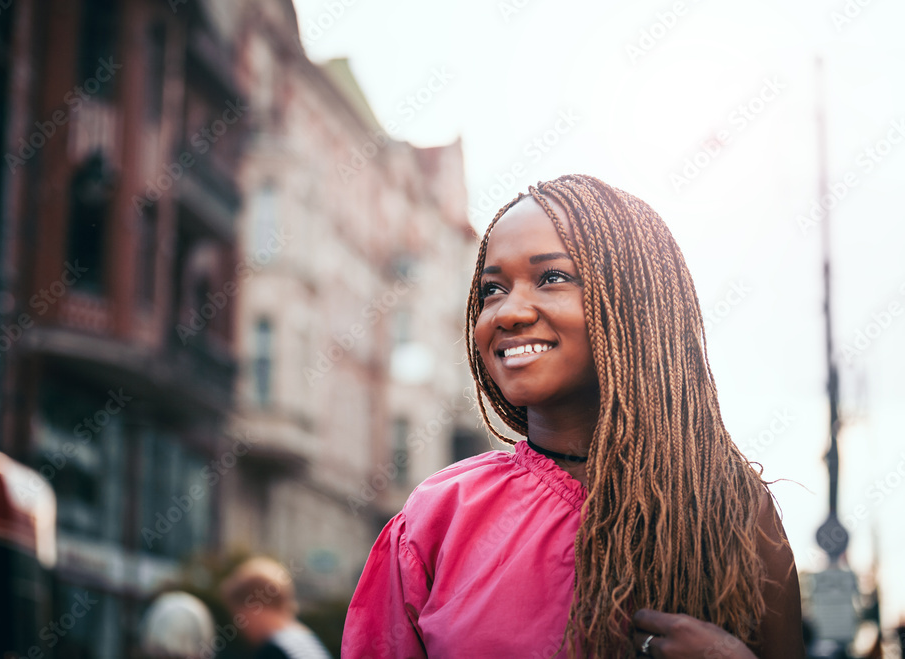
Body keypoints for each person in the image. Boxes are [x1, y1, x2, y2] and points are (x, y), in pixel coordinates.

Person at [342, 175, 804, 657]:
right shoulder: (438, 517)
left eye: (552, 278)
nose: (508, 312)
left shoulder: (736, 512)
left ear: (635, 301)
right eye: (492, 290)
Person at [220, 557, 332, 659]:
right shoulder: (306, 639)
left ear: (254, 608)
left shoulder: (275, 651)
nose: (239, 627)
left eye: (238, 616)